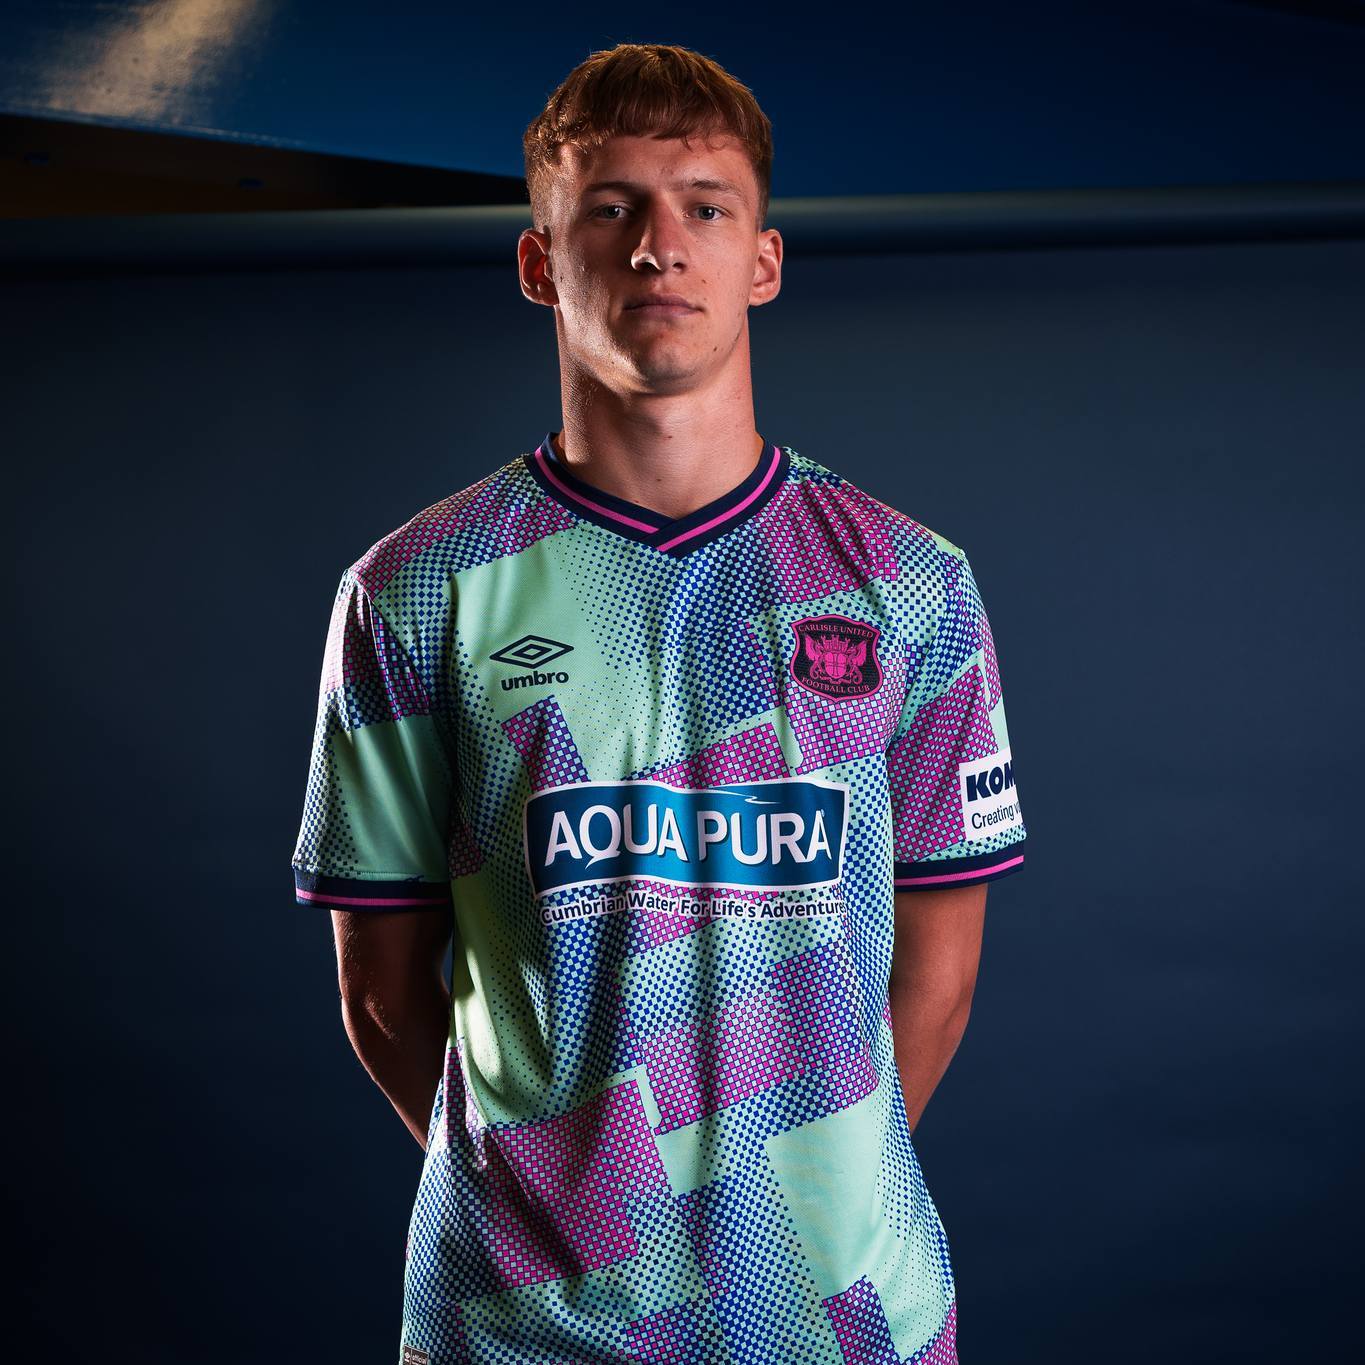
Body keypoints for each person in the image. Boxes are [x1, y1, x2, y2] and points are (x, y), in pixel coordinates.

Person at [290, 41, 1026, 1365]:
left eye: (704, 206)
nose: (656, 246)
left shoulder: (909, 583)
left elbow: (941, 973)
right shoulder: (417, 589)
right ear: (540, 263)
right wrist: (552, 1202)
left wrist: (803, 1198)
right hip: (520, 1325)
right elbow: (382, 989)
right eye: (612, 208)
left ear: (763, 262)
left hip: (836, 1316)